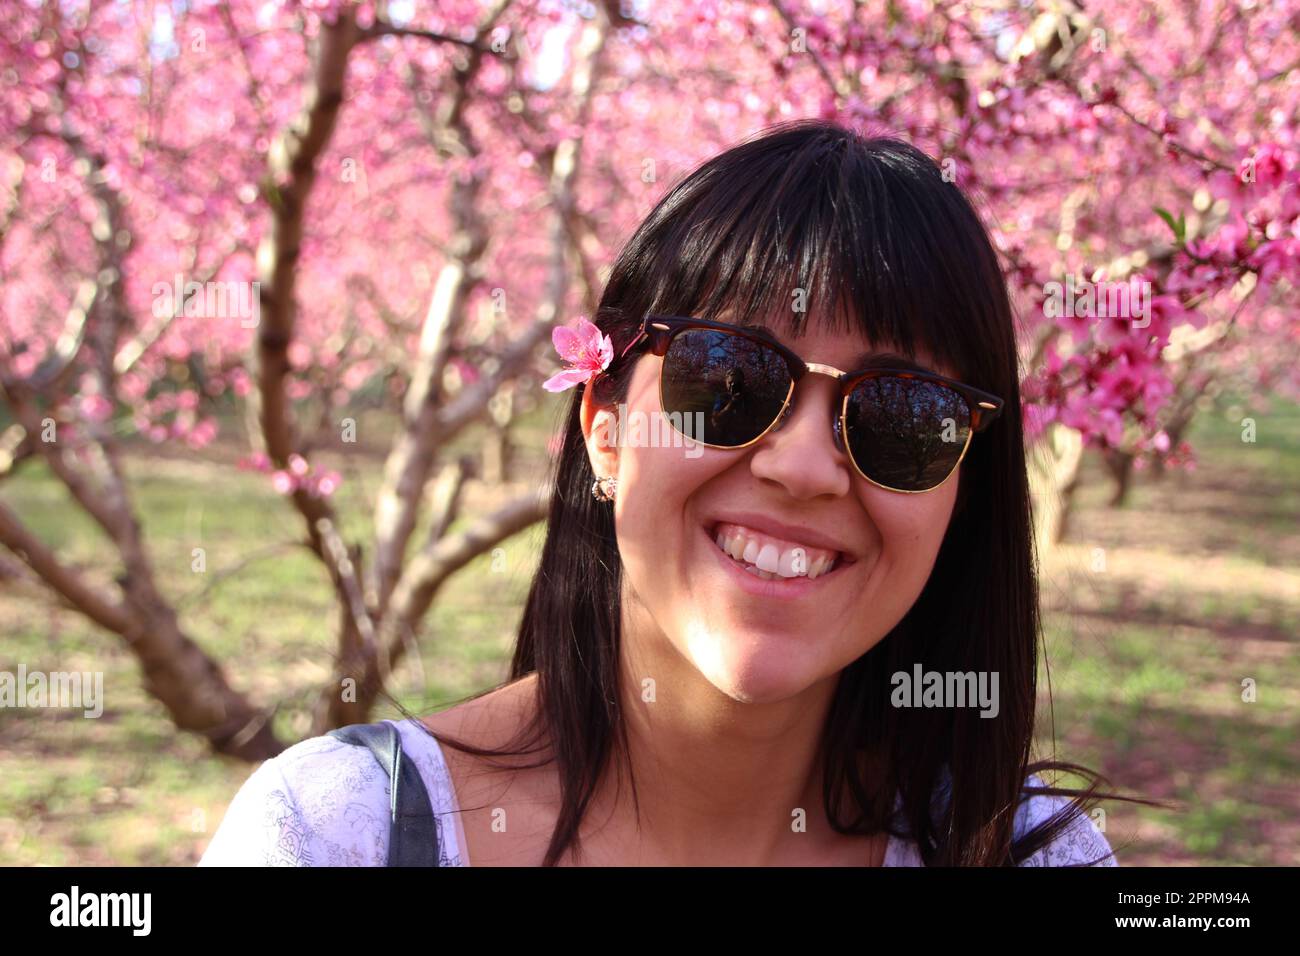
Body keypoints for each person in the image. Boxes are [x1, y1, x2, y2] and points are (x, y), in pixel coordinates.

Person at [201, 119, 1126, 867]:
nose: (801, 468)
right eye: (724, 379)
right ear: (603, 426)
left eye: (902, 416)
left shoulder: (1032, 857)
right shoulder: (335, 835)